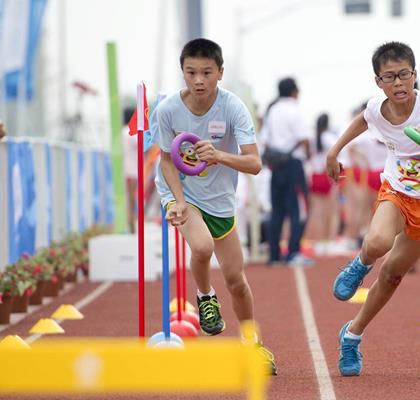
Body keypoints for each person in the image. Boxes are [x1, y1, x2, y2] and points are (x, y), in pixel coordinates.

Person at [326, 41, 420, 376]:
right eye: (389, 78)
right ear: (378, 82)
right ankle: (359, 264)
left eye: (403, 75)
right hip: (397, 190)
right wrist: (334, 150)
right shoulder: (376, 109)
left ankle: (351, 335)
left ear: (415, 75)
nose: (398, 83)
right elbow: (362, 121)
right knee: (379, 241)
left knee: (393, 274)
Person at [152, 38, 276, 374]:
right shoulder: (167, 111)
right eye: (191, 72)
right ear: (183, 73)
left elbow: (254, 164)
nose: (198, 80)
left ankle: (253, 344)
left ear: (220, 72)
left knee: (237, 281)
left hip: (221, 201)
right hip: (182, 193)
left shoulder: (233, 107)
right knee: (202, 247)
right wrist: (177, 201)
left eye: (206, 72)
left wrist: (218, 154)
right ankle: (205, 297)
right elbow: (165, 161)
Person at [261, 77, 313, 266]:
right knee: (299, 210)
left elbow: (265, 139)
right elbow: (304, 138)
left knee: (277, 211)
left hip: (276, 166)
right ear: (294, 91)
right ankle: (293, 252)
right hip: (293, 164)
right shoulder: (295, 109)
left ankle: (274, 254)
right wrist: (307, 157)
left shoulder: (272, 110)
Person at [307, 113, 340, 255]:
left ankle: (319, 242)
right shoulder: (329, 138)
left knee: (317, 212)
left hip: (315, 176)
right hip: (327, 176)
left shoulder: (313, 139)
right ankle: (330, 241)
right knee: (332, 211)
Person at [122, 106, 138, 233]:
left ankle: (131, 225)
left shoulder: (121, 132)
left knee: (130, 199)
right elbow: (142, 145)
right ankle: (131, 226)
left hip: (126, 170)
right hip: (132, 171)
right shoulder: (131, 132)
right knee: (131, 200)